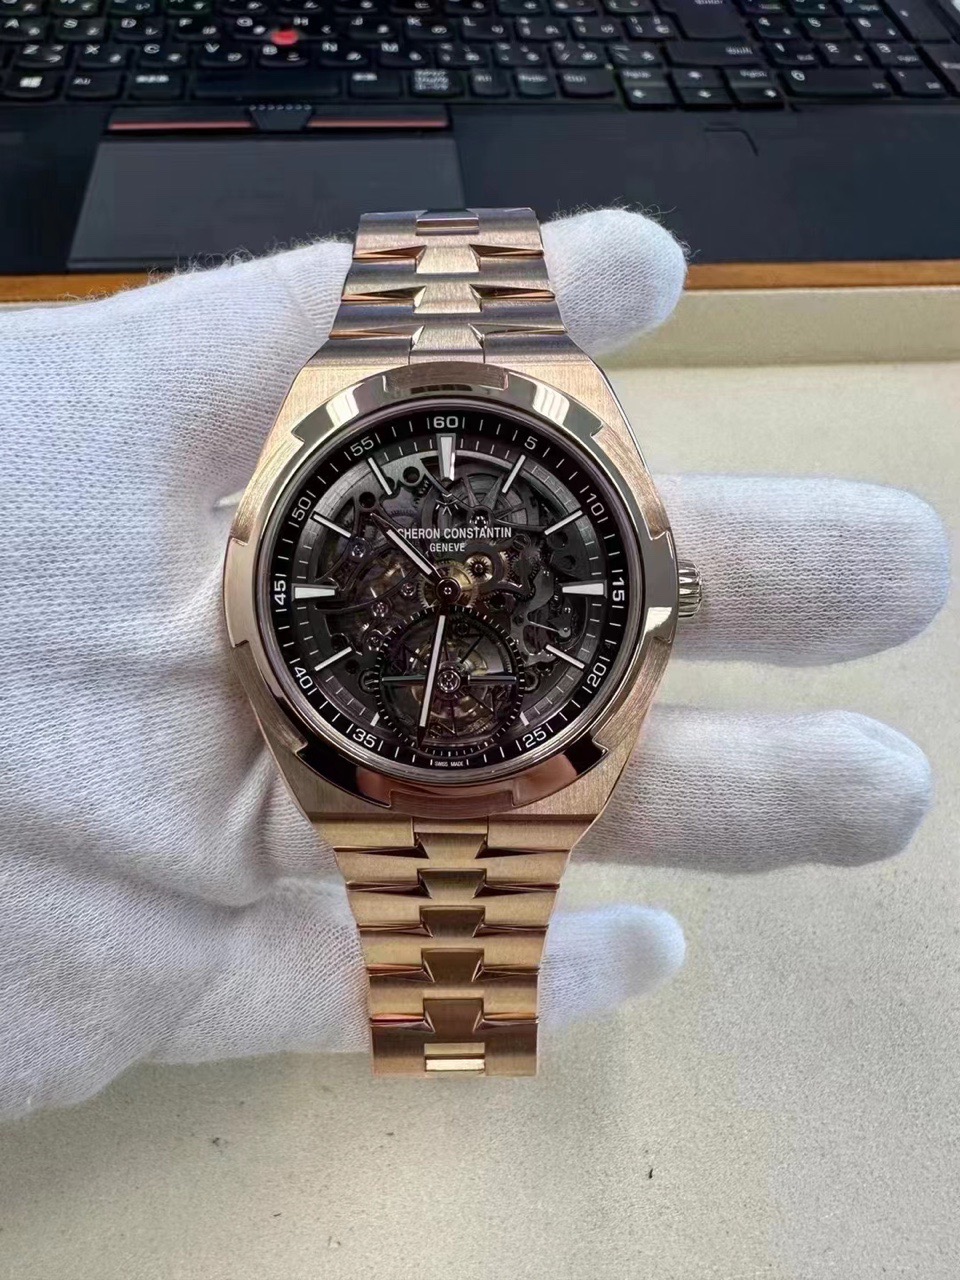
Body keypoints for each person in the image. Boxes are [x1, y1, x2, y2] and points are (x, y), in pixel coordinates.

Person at [0, 209, 947, 1118]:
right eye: (436, 576)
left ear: (670, 595)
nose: (456, 589)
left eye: (475, 577)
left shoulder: (583, 602)